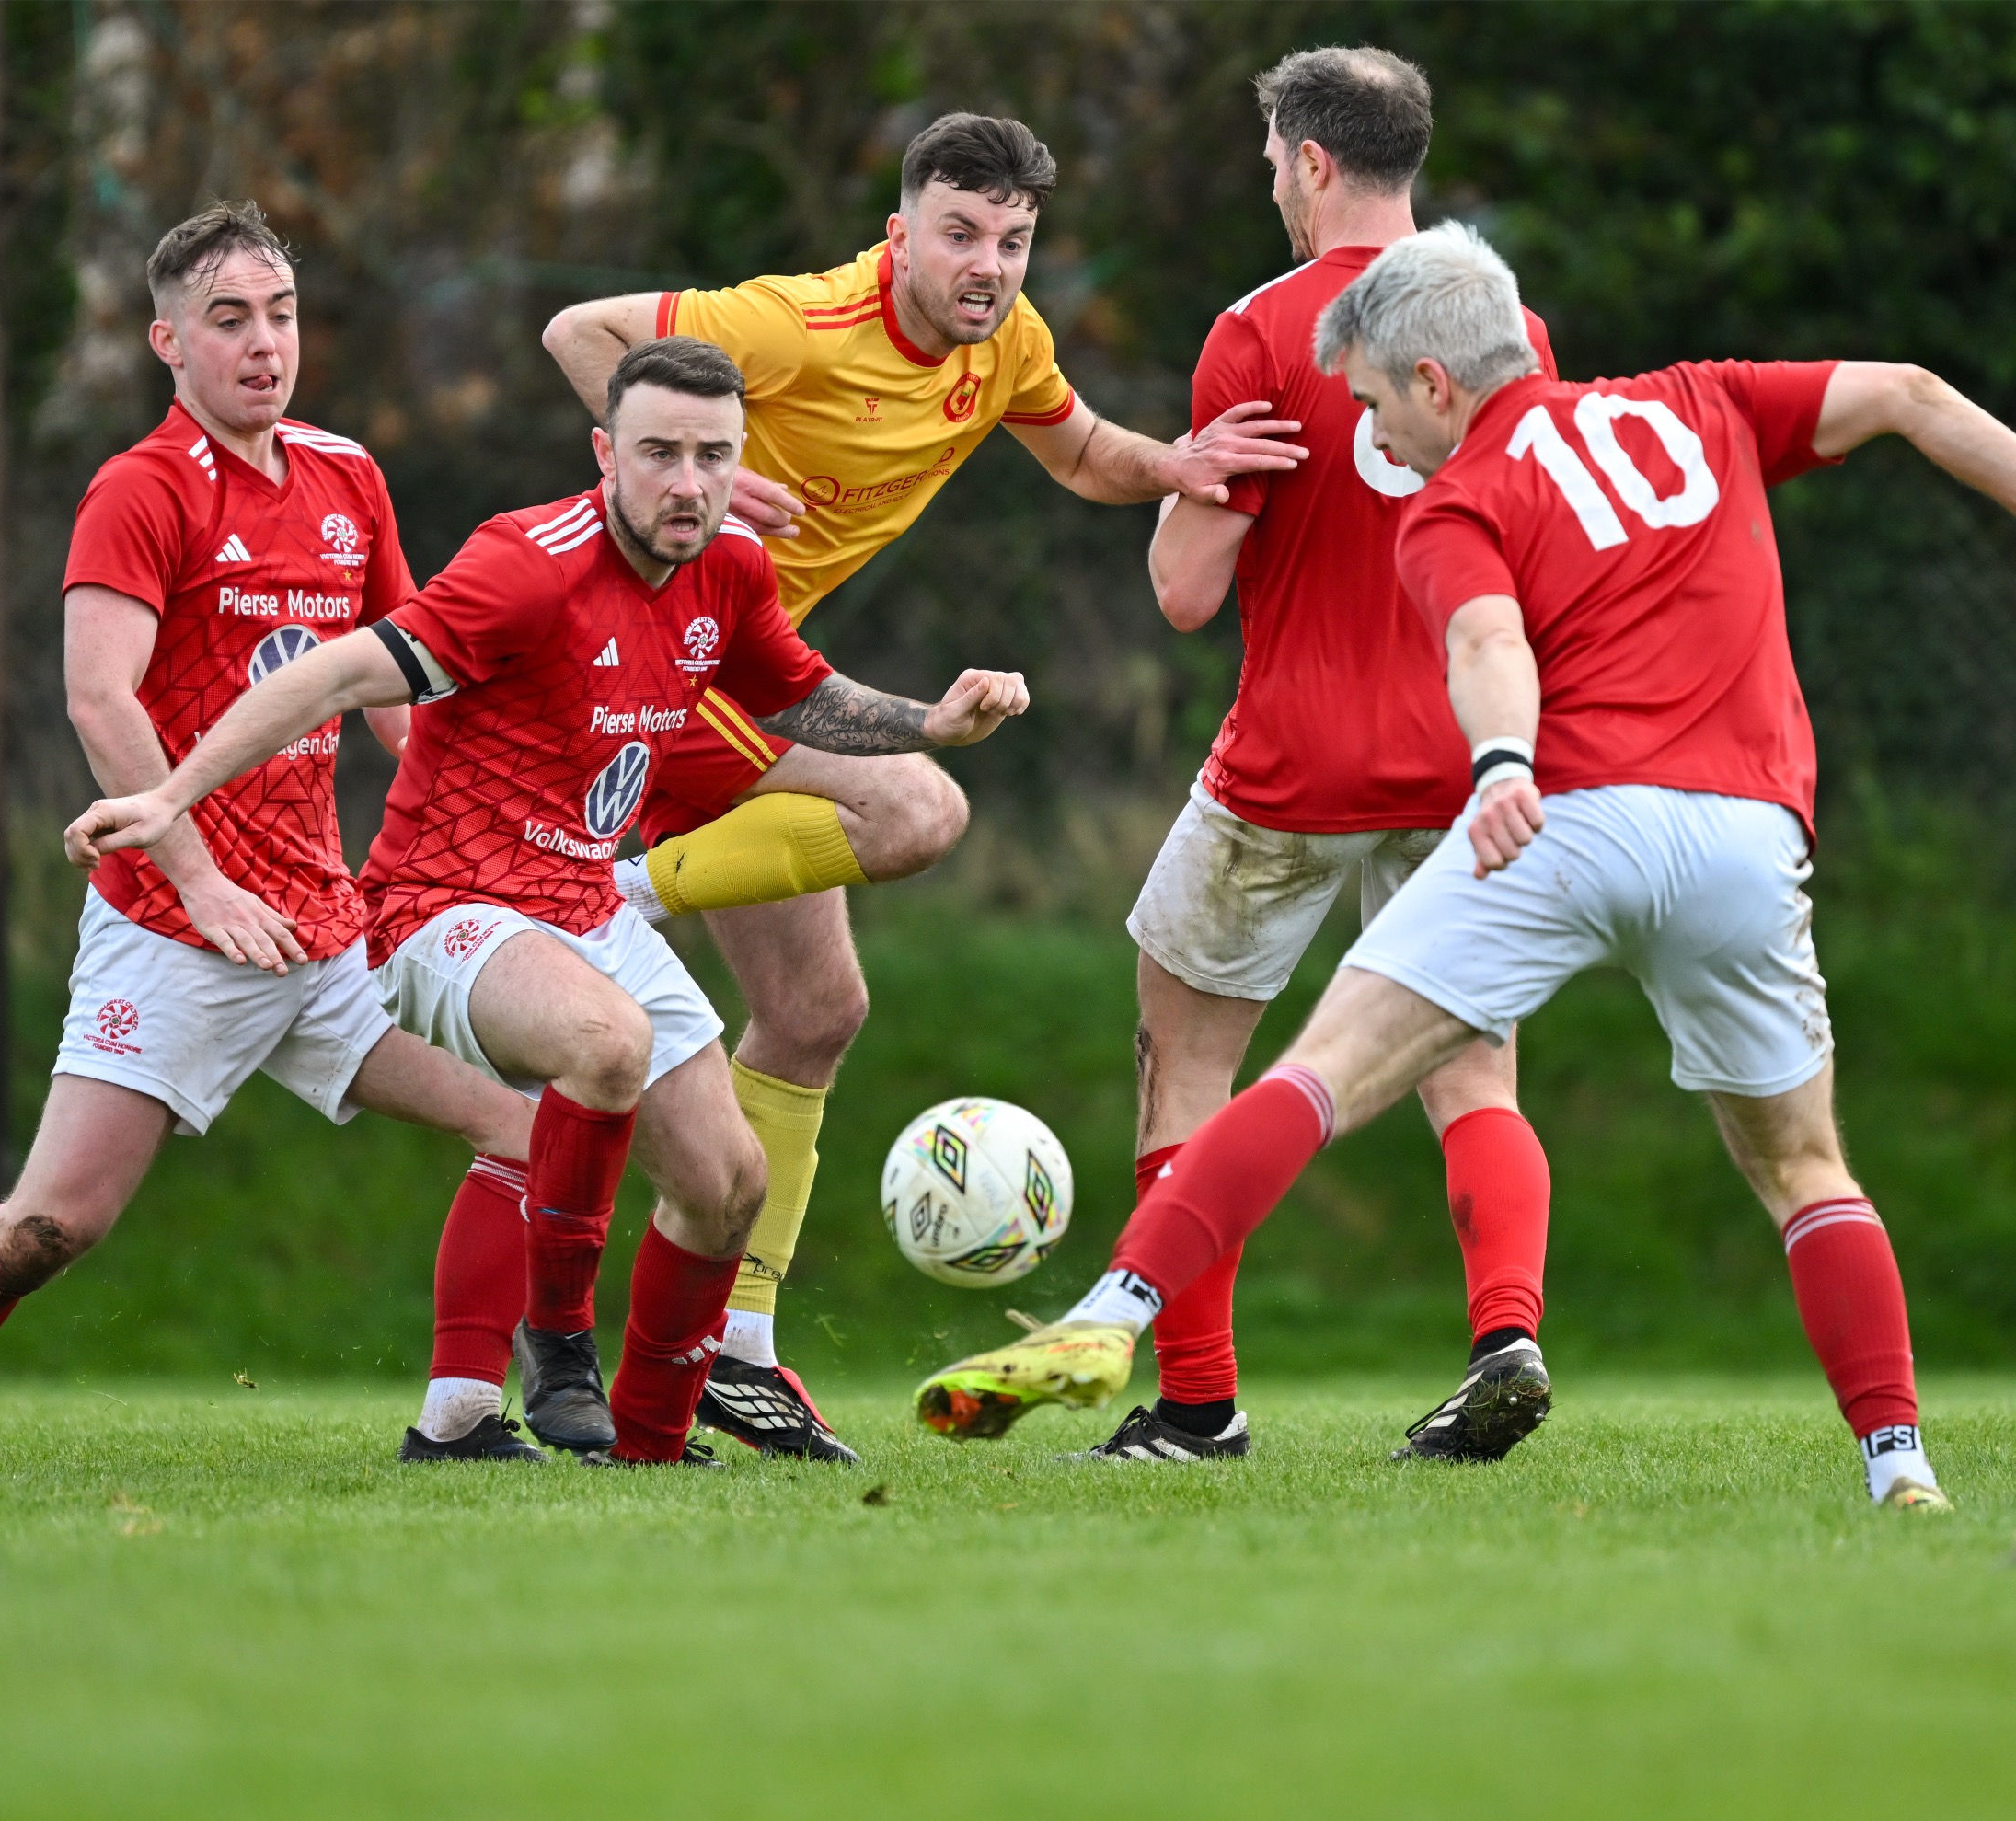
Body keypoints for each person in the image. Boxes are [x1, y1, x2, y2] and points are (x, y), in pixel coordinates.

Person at [916, 220, 2016, 1514]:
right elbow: (1907, 394)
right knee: (1802, 1167)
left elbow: (1490, 641)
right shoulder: (1699, 399)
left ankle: (1109, 1312)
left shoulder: (1457, 499)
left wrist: (1500, 763)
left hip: (1559, 819)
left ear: (1434, 381)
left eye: (1376, 402)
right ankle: (1900, 1465)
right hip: (1743, 838)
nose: (1374, 433)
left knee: (1316, 1072)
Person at [64, 337, 1031, 1466]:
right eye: (658, 452)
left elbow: (802, 697)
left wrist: (932, 723)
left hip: (579, 901)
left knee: (728, 1184)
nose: (687, 481)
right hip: (439, 903)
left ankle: (652, 1446)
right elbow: (330, 672)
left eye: (712, 456)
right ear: (602, 454)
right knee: (602, 1041)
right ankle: (558, 1343)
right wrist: (170, 792)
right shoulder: (526, 563)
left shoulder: (728, 567)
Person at [540, 114, 1304, 1456]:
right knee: (911, 808)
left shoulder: (1003, 348)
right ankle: (614, 893)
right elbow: (577, 333)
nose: (988, 265)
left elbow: (1077, 451)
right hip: (658, 663)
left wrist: (1177, 464)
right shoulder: (792, 322)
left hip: (741, 679)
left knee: (816, 1009)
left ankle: (739, 1339)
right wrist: (706, 474)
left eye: (1011, 241)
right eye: (959, 233)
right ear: (900, 232)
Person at [0, 202, 545, 1471]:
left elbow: (396, 688)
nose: (263, 344)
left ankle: (460, 1420)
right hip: (176, 926)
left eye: (280, 314)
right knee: (55, 1222)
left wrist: (493, 823)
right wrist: (200, 876)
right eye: (229, 319)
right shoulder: (140, 487)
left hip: (322, 927)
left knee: (523, 1125)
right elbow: (98, 696)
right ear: (164, 340)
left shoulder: (348, 474)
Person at [1093, 46, 1561, 1468]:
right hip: (1464, 760)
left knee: (1187, 1063)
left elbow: (1182, 591)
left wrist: (1188, 467)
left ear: (1306, 160)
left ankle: (1193, 1403)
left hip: (1285, 769)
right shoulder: (1508, 324)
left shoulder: (1256, 328)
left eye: (1271, 167)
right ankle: (1503, 1333)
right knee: (1472, 1072)